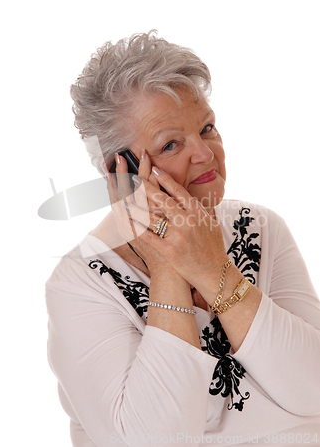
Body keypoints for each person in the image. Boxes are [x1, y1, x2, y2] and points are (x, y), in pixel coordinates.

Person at [45, 31, 320, 447]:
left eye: (207, 127)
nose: (206, 153)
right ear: (120, 172)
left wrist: (213, 270)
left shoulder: (261, 226)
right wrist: (168, 263)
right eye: (171, 143)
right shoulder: (79, 283)